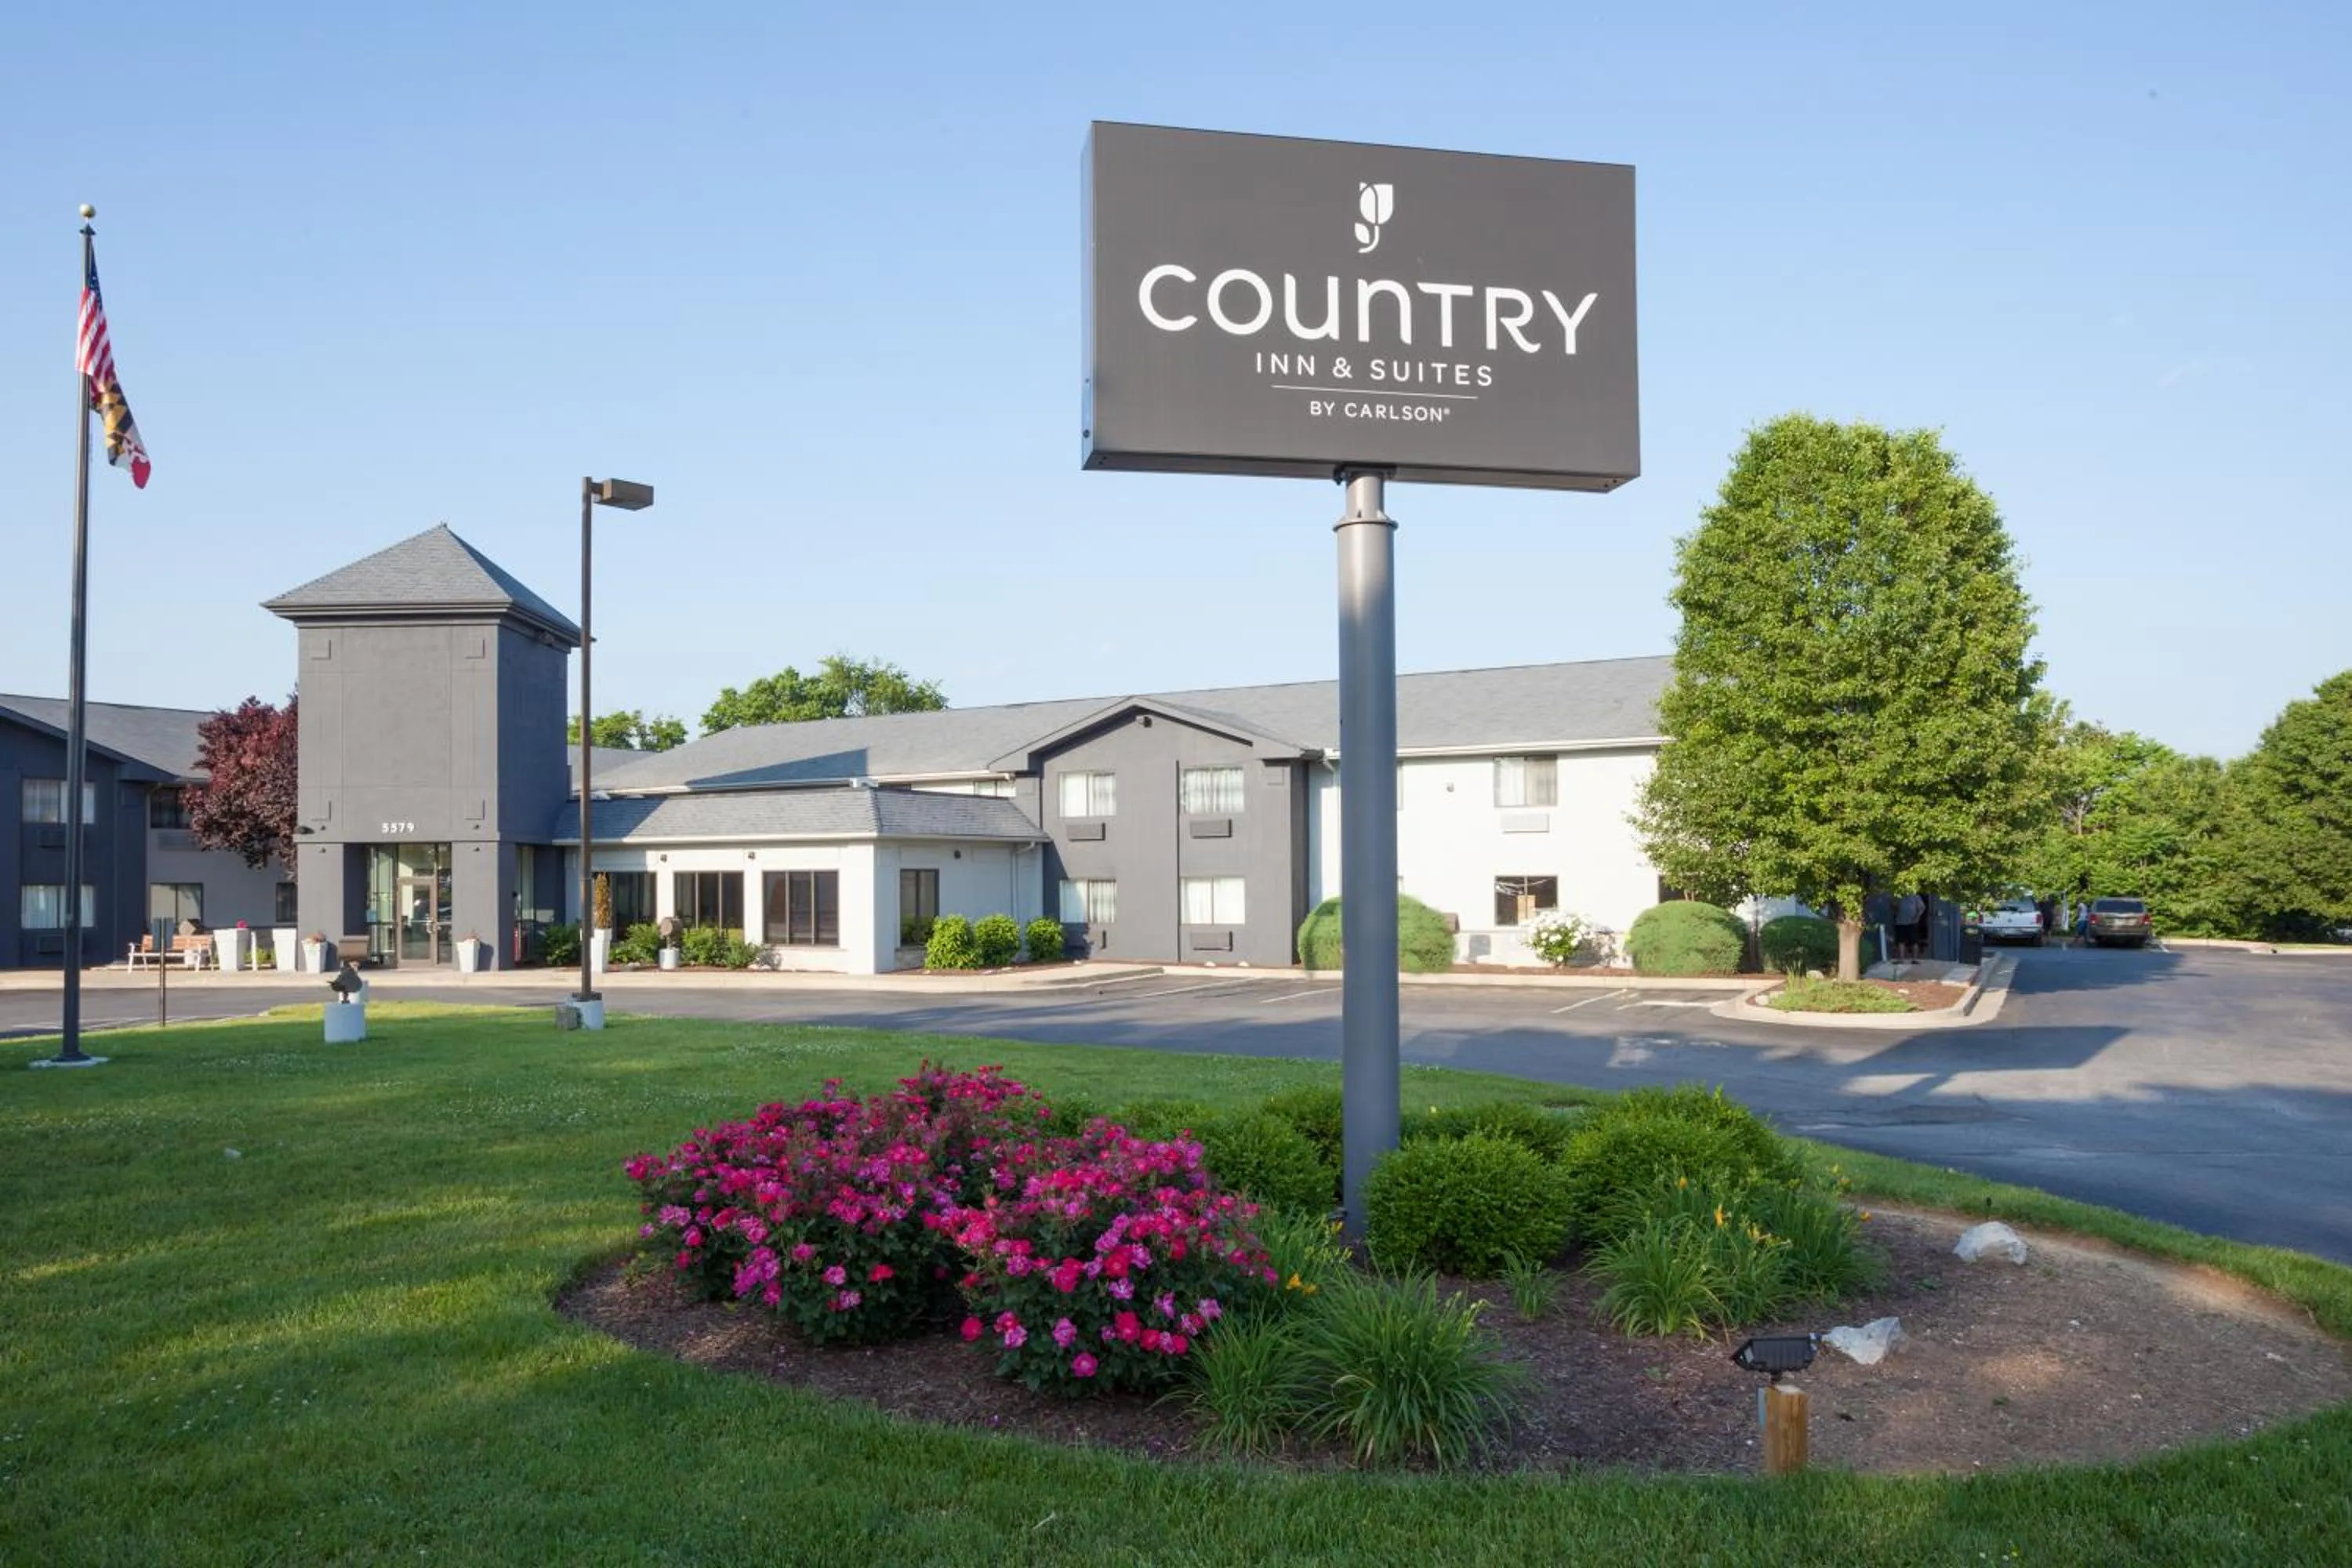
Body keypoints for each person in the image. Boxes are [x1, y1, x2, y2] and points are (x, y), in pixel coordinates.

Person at [1895, 891, 1927, 963]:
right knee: (1900, 941)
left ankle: (1915, 959)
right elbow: (1893, 906)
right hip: (1900, 922)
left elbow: (1922, 908)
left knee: (1914, 941)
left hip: (1912, 922)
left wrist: (1917, 917)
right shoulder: (1898, 896)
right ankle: (1901, 959)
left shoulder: (1915, 896)